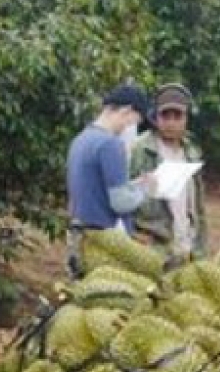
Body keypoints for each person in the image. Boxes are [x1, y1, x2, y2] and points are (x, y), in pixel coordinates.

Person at [65, 84, 154, 274]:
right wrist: (146, 191)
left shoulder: (81, 140)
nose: (129, 129)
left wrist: (134, 186)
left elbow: (96, 187)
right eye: (133, 122)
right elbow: (120, 203)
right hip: (104, 243)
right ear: (127, 111)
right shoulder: (110, 145)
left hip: (79, 237)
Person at [128, 83, 208, 260]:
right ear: (156, 117)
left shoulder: (191, 151)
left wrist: (201, 249)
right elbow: (121, 197)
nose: (171, 123)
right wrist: (131, 235)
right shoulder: (139, 150)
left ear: (186, 118)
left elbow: (197, 206)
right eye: (165, 116)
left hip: (186, 246)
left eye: (177, 116)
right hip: (151, 250)